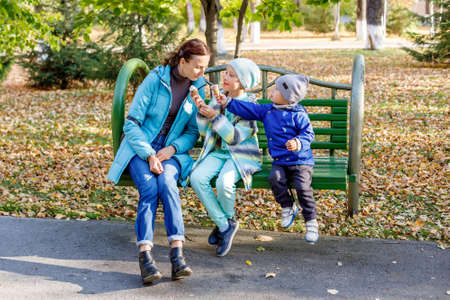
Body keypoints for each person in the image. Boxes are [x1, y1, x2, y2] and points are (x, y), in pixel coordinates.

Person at [107, 39, 210, 283]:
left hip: (171, 151)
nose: (202, 73)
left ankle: (177, 256)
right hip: (140, 147)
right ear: (183, 61)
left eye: (205, 67)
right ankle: (146, 258)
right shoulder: (156, 79)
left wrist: (172, 148)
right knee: (150, 188)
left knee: (166, 183)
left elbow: (193, 133)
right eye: (198, 67)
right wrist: (149, 154)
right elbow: (131, 124)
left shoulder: (199, 87)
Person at [218, 74, 320, 243]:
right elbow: (248, 109)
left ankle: (311, 221)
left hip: (301, 161)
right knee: (274, 178)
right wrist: (228, 103)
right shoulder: (268, 110)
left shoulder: (299, 114)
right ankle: (288, 206)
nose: (272, 91)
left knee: (302, 187)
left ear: (288, 97)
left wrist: (298, 142)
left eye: (277, 89)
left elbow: (309, 134)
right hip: (280, 161)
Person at [189, 58, 262, 256]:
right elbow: (205, 133)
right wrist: (203, 112)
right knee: (197, 177)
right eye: (226, 72)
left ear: (243, 82)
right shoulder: (220, 98)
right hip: (220, 153)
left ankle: (223, 225)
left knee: (224, 181)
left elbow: (235, 138)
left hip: (242, 154)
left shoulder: (249, 107)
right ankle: (225, 225)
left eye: (231, 75)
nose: (225, 77)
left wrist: (215, 117)